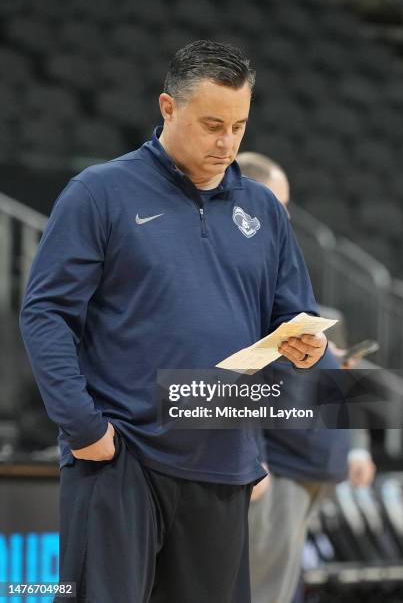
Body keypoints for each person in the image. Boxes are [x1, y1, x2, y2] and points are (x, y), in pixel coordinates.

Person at [20, 40, 328, 603]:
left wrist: (306, 346)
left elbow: (292, 314)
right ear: (167, 108)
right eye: (213, 124)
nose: (227, 142)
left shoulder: (262, 209)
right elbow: (46, 313)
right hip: (122, 455)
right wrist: (83, 427)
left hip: (222, 457)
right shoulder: (100, 192)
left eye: (239, 126)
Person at [237, 151, 376, 603]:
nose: (284, 217)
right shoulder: (235, 269)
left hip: (313, 465)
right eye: (277, 204)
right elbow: (234, 372)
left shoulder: (274, 260)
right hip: (279, 467)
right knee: (260, 591)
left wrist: (355, 447)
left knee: (280, 587)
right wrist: (250, 454)